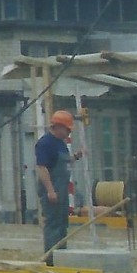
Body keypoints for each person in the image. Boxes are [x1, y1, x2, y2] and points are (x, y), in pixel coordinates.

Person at [34, 108, 84, 263]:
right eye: (68, 129)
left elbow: (64, 161)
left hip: (61, 191)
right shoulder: (45, 143)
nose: (69, 133)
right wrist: (50, 191)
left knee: (62, 224)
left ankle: (62, 256)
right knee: (53, 225)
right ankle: (51, 259)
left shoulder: (60, 144)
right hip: (53, 191)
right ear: (59, 127)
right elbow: (42, 168)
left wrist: (76, 156)